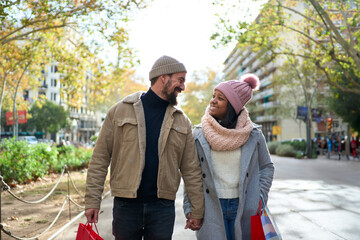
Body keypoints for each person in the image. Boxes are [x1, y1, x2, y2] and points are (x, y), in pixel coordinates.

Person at [85, 55, 204, 240]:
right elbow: (100, 158)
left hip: (162, 209)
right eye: (180, 80)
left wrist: (196, 210)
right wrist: (92, 200)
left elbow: (191, 169)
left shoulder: (182, 121)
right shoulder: (119, 111)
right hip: (126, 207)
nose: (183, 87)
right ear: (163, 77)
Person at [183, 73, 275, 240]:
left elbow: (267, 167)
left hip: (245, 204)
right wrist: (190, 208)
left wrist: (259, 197)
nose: (212, 100)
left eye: (220, 98)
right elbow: (192, 174)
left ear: (233, 106)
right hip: (210, 206)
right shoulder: (199, 134)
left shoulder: (253, 134)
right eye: (213, 96)